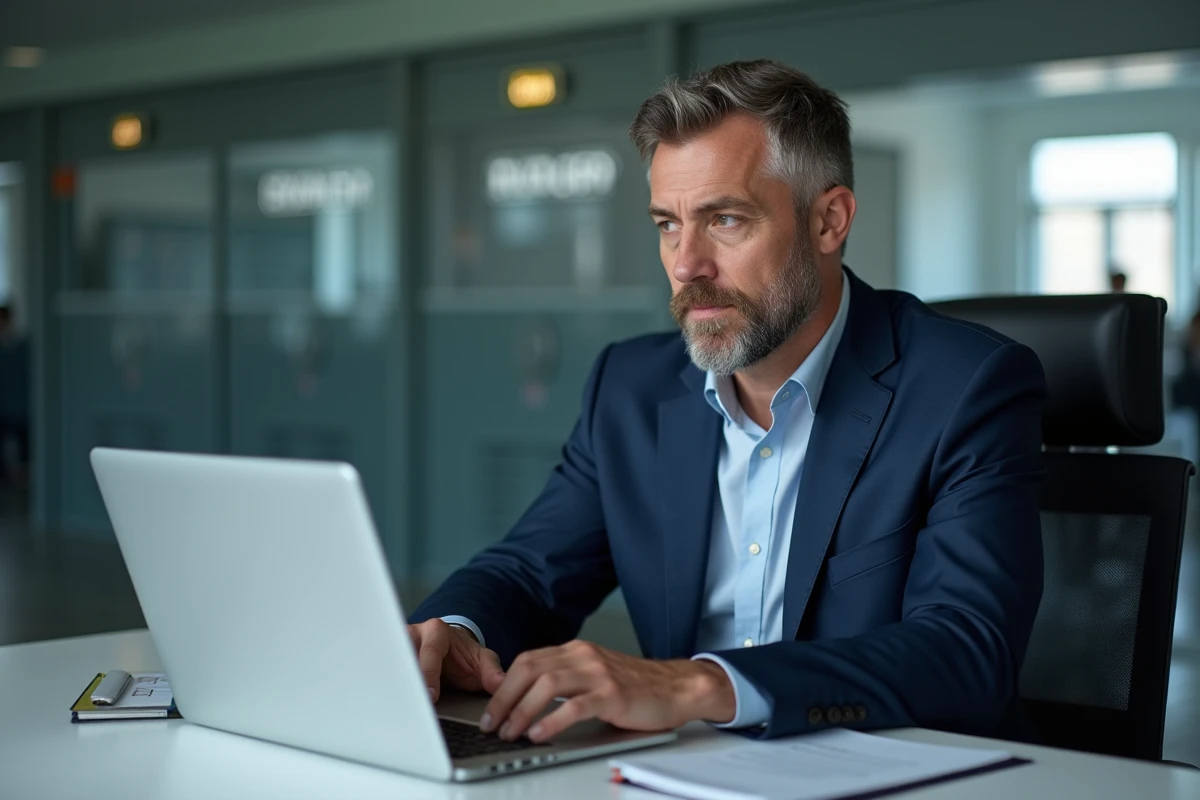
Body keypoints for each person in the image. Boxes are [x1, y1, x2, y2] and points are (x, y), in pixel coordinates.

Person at [408, 60, 1046, 743]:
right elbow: (528, 575)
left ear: (829, 221)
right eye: (667, 224)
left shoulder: (965, 387)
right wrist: (451, 632)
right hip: (673, 776)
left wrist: (698, 684)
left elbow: (966, 653)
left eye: (726, 220)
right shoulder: (629, 388)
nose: (686, 264)